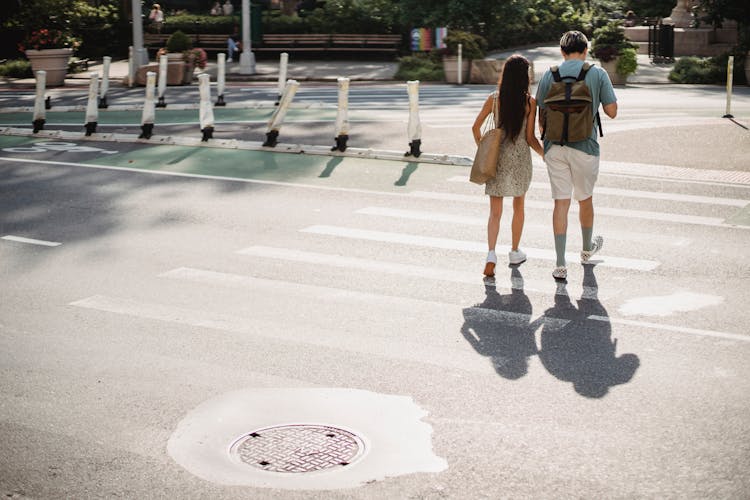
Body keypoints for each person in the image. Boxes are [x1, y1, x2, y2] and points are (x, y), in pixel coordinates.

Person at [535, 30, 617, 281]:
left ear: (562, 52)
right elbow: (612, 111)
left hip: (554, 147)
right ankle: (585, 250)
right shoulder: (597, 73)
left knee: (561, 203)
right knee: (585, 199)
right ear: (586, 50)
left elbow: (541, 117)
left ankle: (560, 264)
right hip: (586, 147)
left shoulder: (550, 74)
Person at [472, 55, 544, 278]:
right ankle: (514, 251)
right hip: (521, 159)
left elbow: (475, 128)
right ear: (524, 76)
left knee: (495, 212)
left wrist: (484, 149)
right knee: (518, 207)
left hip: (497, 160)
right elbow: (531, 138)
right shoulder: (529, 102)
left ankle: (491, 254)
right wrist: (545, 155)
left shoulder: (494, 99)